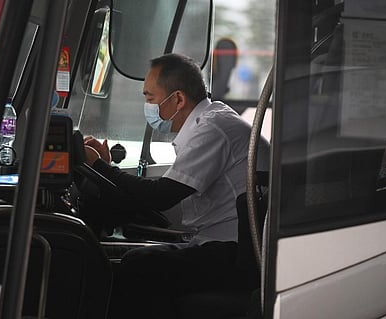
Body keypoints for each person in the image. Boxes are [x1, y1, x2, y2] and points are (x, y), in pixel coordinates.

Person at [84, 53, 269, 318]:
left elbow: (161, 196)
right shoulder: (208, 123)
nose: (147, 106)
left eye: (150, 98)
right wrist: (106, 169)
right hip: (228, 244)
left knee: (136, 266)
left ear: (179, 99)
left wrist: (101, 167)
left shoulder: (212, 128)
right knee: (131, 259)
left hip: (239, 252)